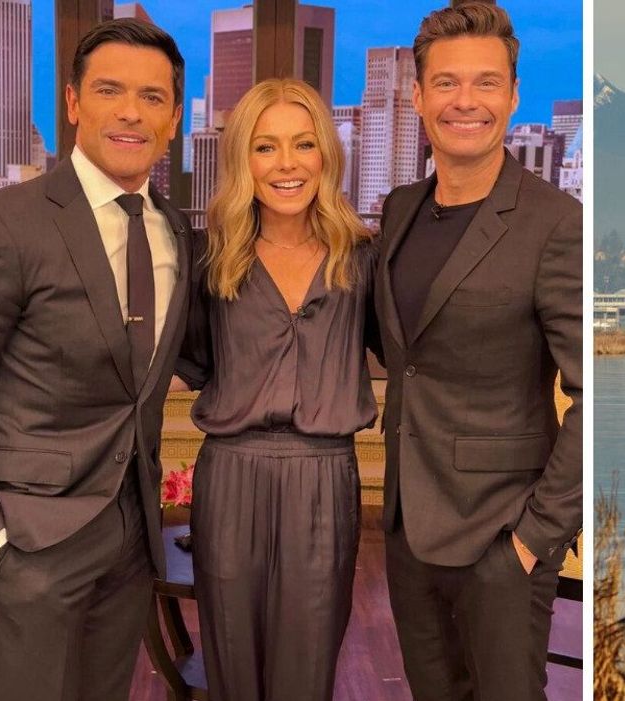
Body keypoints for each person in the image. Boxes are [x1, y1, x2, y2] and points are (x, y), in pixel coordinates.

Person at [0, 18, 190, 700]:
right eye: (109, 90)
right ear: (72, 103)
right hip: (33, 545)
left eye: (152, 97)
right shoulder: (3, 224)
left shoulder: (175, 230)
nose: (130, 111)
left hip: (130, 538)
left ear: (174, 117)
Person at [373, 4, 583, 700]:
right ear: (418, 95)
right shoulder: (399, 209)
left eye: (486, 83)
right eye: (447, 82)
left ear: (513, 95)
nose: (466, 101)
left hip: (501, 534)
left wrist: (533, 538)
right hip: (406, 527)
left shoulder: (555, 224)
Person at [174, 77, 377, 701]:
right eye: (266, 147)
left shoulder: (365, 257)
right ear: (242, 160)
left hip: (325, 477)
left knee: (307, 670)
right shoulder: (208, 259)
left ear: (327, 156)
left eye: (303, 144)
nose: (287, 164)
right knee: (232, 665)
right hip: (231, 476)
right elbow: (197, 359)